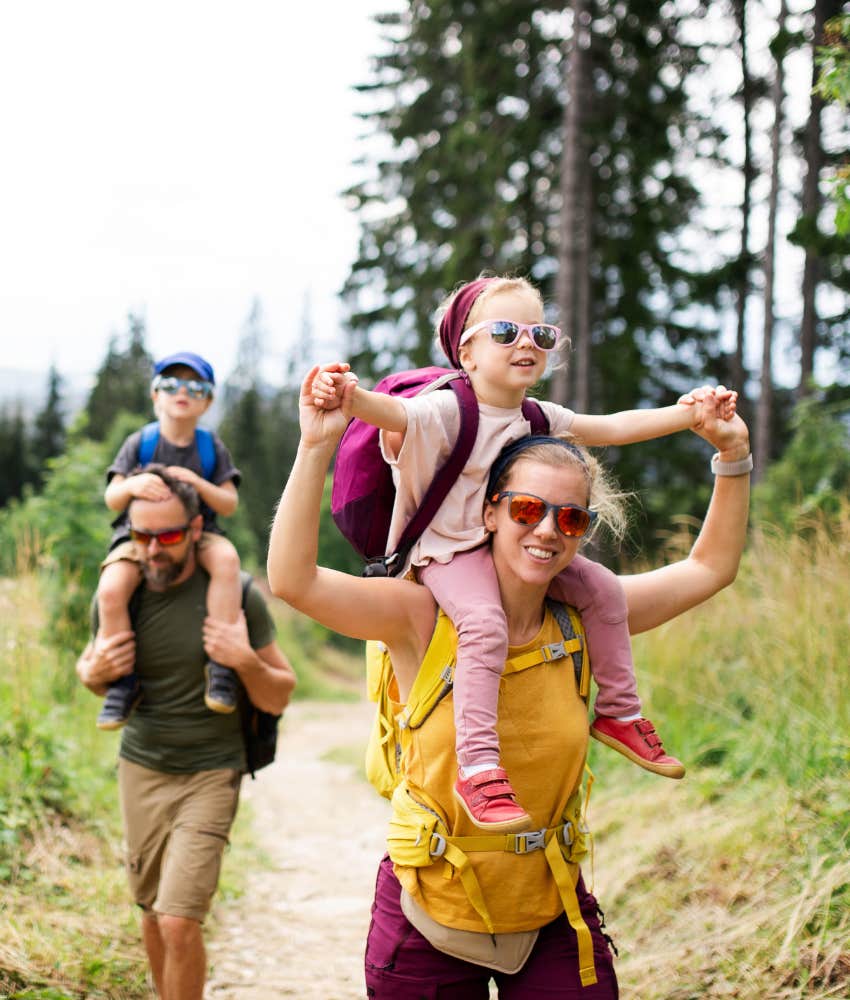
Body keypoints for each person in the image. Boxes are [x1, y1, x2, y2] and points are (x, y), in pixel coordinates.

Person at [268, 367, 751, 996]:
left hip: (552, 911)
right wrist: (315, 446)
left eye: (572, 519)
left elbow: (710, 566)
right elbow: (293, 581)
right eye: (527, 509)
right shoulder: (421, 615)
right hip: (427, 915)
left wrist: (734, 456)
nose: (548, 530)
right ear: (489, 513)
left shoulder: (587, 619)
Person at [311, 275, 737, 832]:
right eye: (506, 331)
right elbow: (391, 414)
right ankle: (480, 767)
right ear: (466, 350)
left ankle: (618, 713)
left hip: (499, 548)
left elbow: (608, 429)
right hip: (446, 556)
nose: (527, 343)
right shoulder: (444, 410)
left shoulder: (535, 417)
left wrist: (690, 416)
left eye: (541, 332)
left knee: (604, 588)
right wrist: (344, 396)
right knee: (484, 624)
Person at [77, 465, 295, 1000]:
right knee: (151, 913)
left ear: (197, 531)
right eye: (141, 535)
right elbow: (90, 673)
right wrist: (93, 671)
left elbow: (280, 692)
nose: (153, 549)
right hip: (141, 768)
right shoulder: (120, 593)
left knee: (178, 919)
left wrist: (243, 661)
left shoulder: (238, 595)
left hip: (210, 773)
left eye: (169, 535)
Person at [96, 351, 244, 729]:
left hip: (200, 532)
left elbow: (228, 503)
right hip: (141, 536)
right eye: (171, 384)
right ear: (155, 395)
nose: (183, 392)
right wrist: (130, 484)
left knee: (227, 563)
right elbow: (112, 497)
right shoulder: (140, 443)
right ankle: (122, 681)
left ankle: (221, 667)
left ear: (208, 401)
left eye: (196, 387)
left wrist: (197, 483)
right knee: (112, 589)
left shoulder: (210, 447)